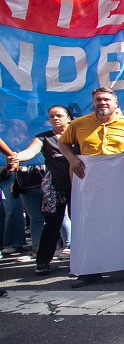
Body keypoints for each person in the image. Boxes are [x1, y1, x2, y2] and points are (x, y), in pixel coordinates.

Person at [58, 87, 124, 288]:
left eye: (106, 99)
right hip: (91, 183)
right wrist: (72, 159)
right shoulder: (79, 124)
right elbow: (63, 144)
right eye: (98, 99)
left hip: (123, 182)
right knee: (91, 225)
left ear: (115, 103)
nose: (102, 103)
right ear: (93, 103)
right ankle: (91, 271)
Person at [8, 106, 75, 275]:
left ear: (69, 118)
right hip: (57, 188)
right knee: (52, 224)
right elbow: (29, 152)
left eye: (59, 116)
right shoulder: (44, 138)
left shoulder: (78, 135)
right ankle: (43, 261)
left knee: (83, 224)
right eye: (52, 116)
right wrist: (17, 156)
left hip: (79, 186)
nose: (55, 119)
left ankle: (83, 260)